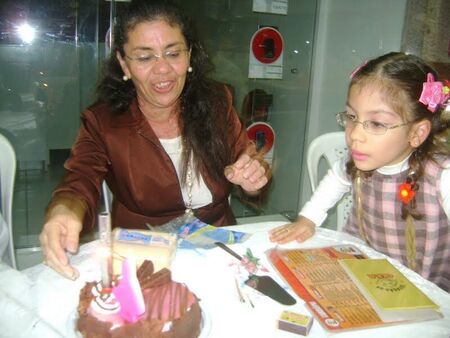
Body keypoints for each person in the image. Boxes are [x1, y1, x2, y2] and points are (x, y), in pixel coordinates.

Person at [40, 0, 271, 280]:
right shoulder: (104, 122)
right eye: (145, 57)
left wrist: (254, 176)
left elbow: (246, 161)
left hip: (219, 253)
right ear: (124, 63)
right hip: (143, 258)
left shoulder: (216, 101)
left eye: (173, 53)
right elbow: (80, 179)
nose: (163, 70)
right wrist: (65, 211)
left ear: (190, 56)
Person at [270, 52, 450, 291]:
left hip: (423, 289)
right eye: (352, 117)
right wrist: (307, 219)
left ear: (417, 133)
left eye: (376, 123)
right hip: (363, 270)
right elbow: (335, 179)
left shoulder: (441, 175)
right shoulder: (357, 163)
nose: (354, 134)